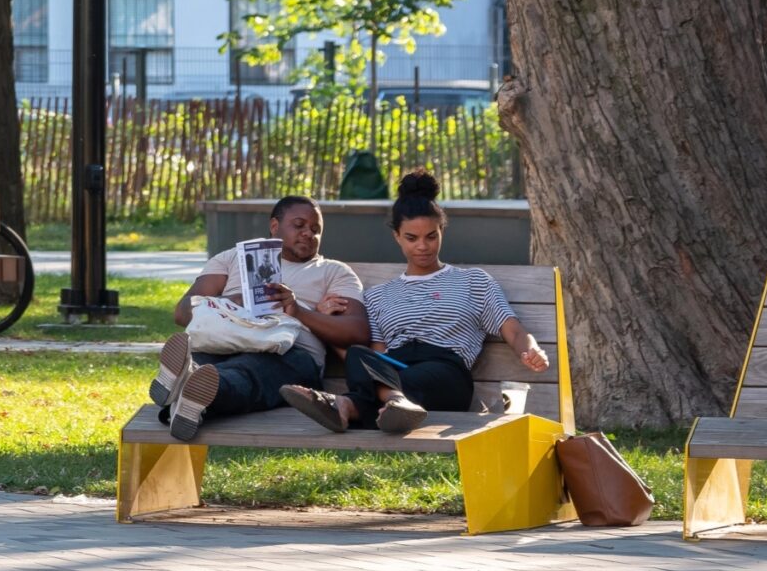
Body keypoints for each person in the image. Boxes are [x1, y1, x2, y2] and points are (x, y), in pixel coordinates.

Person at [283, 171, 548, 435]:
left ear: (441, 231)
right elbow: (377, 355)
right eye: (411, 238)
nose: (422, 246)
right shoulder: (377, 296)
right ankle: (386, 405)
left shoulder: (473, 282)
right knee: (358, 354)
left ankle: (351, 405)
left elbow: (512, 328)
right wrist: (326, 323)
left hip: (446, 371)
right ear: (397, 236)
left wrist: (530, 350)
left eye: (431, 236)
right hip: (396, 365)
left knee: (397, 378)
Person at [150, 196, 366, 441]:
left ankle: (189, 385)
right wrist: (235, 300)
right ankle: (191, 396)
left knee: (247, 371)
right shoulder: (232, 258)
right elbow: (182, 312)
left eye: (316, 230)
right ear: (275, 226)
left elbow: (358, 331)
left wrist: (299, 311)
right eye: (299, 225)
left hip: (291, 353)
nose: (308, 233)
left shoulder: (333, 271)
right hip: (227, 341)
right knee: (213, 362)